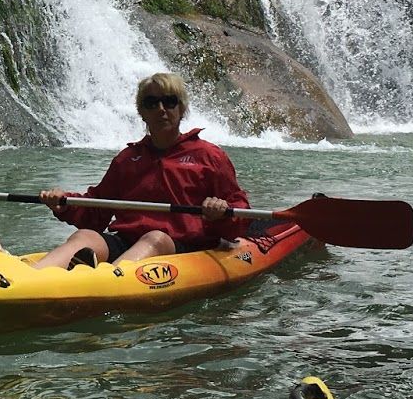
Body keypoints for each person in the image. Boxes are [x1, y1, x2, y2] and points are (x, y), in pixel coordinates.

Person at [26, 72, 249, 269]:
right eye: (152, 103)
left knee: (155, 238)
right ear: (142, 112)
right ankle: (30, 277)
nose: (161, 110)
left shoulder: (209, 156)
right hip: (128, 241)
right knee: (85, 236)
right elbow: (96, 210)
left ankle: (106, 282)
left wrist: (223, 210)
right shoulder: (128, 159)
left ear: (181, 109)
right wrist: (64, 203)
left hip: (183, 247)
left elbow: (239, 209)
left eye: (169, 102)